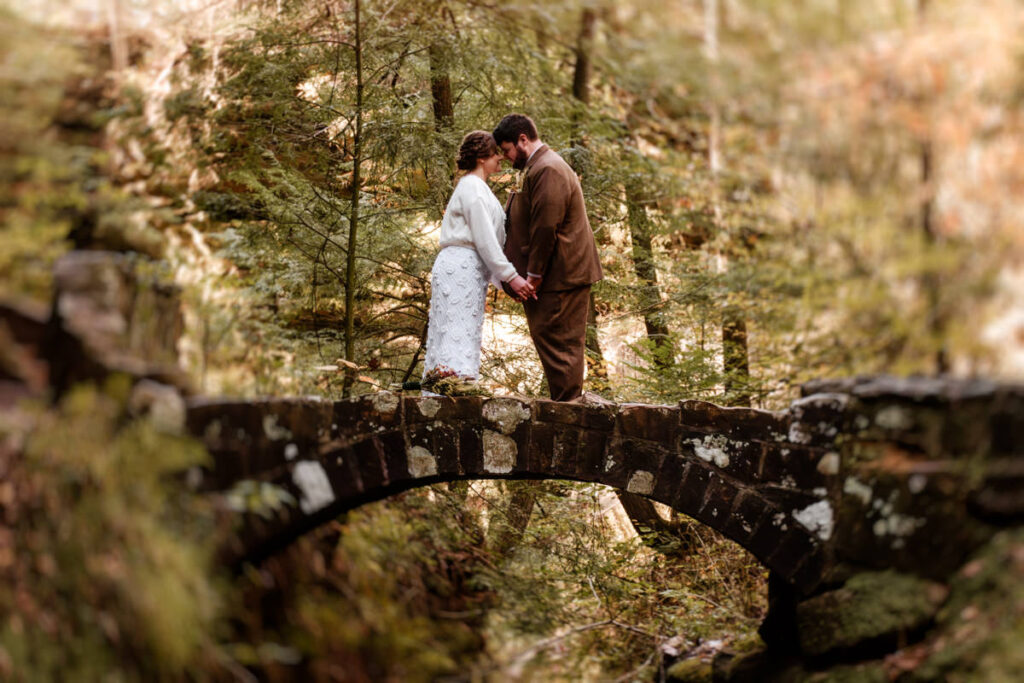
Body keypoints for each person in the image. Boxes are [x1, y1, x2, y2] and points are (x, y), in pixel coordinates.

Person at [493, 113, 603, 402]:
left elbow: (545, 226)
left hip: (562, 276)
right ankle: (565, 409)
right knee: (553, 344)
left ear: (523, 139)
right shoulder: (539, 166)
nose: (505, 157)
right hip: (557, 276)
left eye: (506, 150)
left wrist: (534, 275)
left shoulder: (548, 169)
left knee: (561, 349)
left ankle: (568, 415)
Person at [422, 131, 535, 387]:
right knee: (455, 331)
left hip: (470, 269)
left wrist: (503, 282)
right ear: (483, 158)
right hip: (459, 268)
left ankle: (453, 388)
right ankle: (450, 389)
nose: (500, 159)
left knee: (465, 331)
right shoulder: (472, 187)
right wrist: (511, 278)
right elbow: (485, 241)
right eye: (496, 153)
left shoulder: (478, 187)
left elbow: (488, 245)